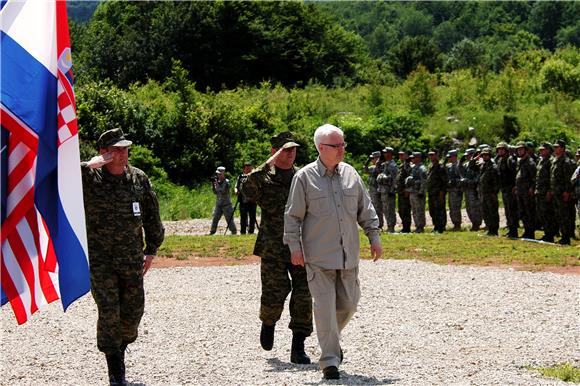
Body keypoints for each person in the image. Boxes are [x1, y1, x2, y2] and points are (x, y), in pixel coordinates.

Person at [284, 124, 382, 380]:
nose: (341, 150)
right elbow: (293, 217)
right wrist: (295, 247)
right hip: (318, 258)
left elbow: (366, 209)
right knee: (325, 308)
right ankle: (330, 361)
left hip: (348, 256)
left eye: (343, 145)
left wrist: (374, 237)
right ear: (321, 148)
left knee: (349, 304)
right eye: (336, 146)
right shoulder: (304, 178)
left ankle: (331, 340)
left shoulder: (351, 174)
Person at [81, 128, 165, 386]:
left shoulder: (138, 178)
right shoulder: (89, 179)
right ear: (103, 153)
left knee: (132, 314)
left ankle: (121, 345)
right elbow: (59, 180)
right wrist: (87, 165)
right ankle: (115, 367)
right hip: (100, 261)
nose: (123, 152)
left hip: (131, 260)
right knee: (109, 312)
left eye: (125, 148)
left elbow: (152, 215)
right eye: (116, 149)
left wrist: (151, 249)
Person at [240, 132, 312, 364]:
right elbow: (246, 190)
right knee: (274, 292)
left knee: (304, 294)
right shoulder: (263, 178)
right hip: (273, 245)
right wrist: (267, 164)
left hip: (301, 245)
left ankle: (298, 346)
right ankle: (268, 322)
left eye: (293, 150)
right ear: (274, 152)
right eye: (285, 150)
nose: (290, 154)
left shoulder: (303, 176)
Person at [549, 140, 575, 245]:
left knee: (564, 215)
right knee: (558, 215)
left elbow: (568, 179)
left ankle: (566, 237)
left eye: (557, 147)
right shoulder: (555, 160)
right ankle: (562, 235)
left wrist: (567, 192)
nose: (555, 149)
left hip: (562, 193)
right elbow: (552, 178)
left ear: (563, 148)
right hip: (556, 192)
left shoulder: (566, 162)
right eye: (554, 147)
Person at [514, 141, 536, 239]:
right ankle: (526, 230)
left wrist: (532, 188)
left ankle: (530, 232)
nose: (519, 151)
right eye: (518, 149)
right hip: (520, 191)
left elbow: (534, 177)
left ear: (526, 150)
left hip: (527, 191)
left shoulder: (530, 162)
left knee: (529, 212)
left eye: (521, 149)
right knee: (522, 212)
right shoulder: (520, 161)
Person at [496, 142, 518, 238]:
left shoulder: (510, 160)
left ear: (506, 150)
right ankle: (510, 229)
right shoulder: (500, 160)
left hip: (510, 189)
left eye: (502, 149)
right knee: (508, 211)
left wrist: (515, 186)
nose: (500, 151)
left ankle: (514, 231)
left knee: (512, 210)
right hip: (504, 189)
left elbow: (515, 174)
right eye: (499, 149)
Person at [534, 142, 556, 242]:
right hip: (539, 191)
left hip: (546, 192)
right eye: (540, 150)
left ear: (548, 150)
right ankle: (546, 232)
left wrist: (550, 191)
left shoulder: (551, 161)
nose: (541, 151)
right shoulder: (541, 160)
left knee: (548, 214)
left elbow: (552, 178)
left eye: (543, 150)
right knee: (541, 213)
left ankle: (549, 234)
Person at [478, 147, 500, 236]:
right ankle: (489, 229)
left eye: (486, 155)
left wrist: (494, 193)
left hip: (491, 194)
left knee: (493, 212)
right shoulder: (483, 166)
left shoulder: (493, 167)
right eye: (483, 155)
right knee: (485, 212)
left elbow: (496, 182)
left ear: (490, 155)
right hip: (483, 193)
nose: (485, 156)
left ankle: (494, 230)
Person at [209, 166, 237, 235]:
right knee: (215, 218)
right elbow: (215, 192)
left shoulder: (226, 182)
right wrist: (213, 185)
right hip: (219, 203)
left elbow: (223, 191)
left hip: (226, 204)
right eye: (217, 174)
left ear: (223, 173)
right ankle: (212, 231)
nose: (218, 175)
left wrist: (217, 184)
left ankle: (233, 231)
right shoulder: (217, 182)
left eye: (220, 174)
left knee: (229, 219)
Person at [377, 147, 398, 233]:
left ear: (390, 153)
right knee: (385, 209)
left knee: (390, 209)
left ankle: (391, 227)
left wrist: (392, 190)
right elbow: (378, 171)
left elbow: (394, 178)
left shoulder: (393, 165)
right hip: (383, 190)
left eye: (386, 153)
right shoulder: (384, 164)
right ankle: (389, 226)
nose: (384, 154)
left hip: (389, 190)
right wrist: (378, 161)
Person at [461, 148, 482, 231]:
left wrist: (470, 181)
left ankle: (477, 224)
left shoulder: (478, 164)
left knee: (475, 207)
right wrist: (460, 162)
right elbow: (461, 172)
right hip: (467, 189)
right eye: (466, 155)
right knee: (468, 208)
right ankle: (474, 223)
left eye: (469, 155)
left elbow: (479, 177)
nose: (466, 157)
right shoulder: (466, 164)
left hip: (474, 189)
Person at [427, 149, 448, 233]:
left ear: (436, 155)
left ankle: (441, 228)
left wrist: (442, 192)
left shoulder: (441, 167)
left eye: (432, 155)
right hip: (431, 193)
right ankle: (436, 226)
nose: (431, 156)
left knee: (440, 210)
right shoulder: (431, 166)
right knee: (432, 211)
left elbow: (445, 181)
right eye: (429, 155)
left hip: (438, 193)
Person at [407, 152, 427, 233]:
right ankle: (417, 226)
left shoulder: (422, 168)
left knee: (419, 210)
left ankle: (420, 226)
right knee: (414, 210)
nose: (412, 159)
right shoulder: (414, 167)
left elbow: (424, 181)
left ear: (418, 158)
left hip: (418, 193)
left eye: (413, 158)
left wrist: (421, 192)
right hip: (412, 192)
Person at [235, 162, 257, 234]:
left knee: (252, 217)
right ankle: (243, 232)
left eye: (250, 168)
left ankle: (251, 231)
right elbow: (236, 186)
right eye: (247, 168)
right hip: (243, 200)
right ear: (243, 169)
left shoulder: (254, 176)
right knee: (243, 217)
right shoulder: (240, 177)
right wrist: (236, 191)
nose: (248, 170)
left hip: (253, 200)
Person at [364, 151, 383, 229]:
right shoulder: (372, 167)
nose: (372, 160)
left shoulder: (381, 166)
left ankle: (380, 224)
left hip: (377, 190)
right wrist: (367, 162)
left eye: (373, 158)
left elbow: (379, 172)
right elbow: (366, 170)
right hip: (371, 190)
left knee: (378, 208)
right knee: (373, 208)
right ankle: (375, 223)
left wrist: (378, 163)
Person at [446, 149, 463, 231]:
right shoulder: (450, 165)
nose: (448, 158)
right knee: (452, 208)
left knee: (456, 208)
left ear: (454, 157)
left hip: (457, 190)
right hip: (451, 190)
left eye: (450, 157)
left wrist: (454, 182)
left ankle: (457, 224)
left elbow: (462, 179)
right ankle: (455, 224)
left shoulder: (459, 165)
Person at [397, 150, 412, 233]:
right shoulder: (401, 166)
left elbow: (410, 178)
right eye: (399, 155)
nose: (400, 157)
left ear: (407, 156)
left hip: (405, 192)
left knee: (406, 210)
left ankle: (407, 228)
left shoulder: (408, 166)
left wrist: (407, 190)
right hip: (400, 192)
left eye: (402, 155)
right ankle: (404, 227)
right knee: (401, 210)